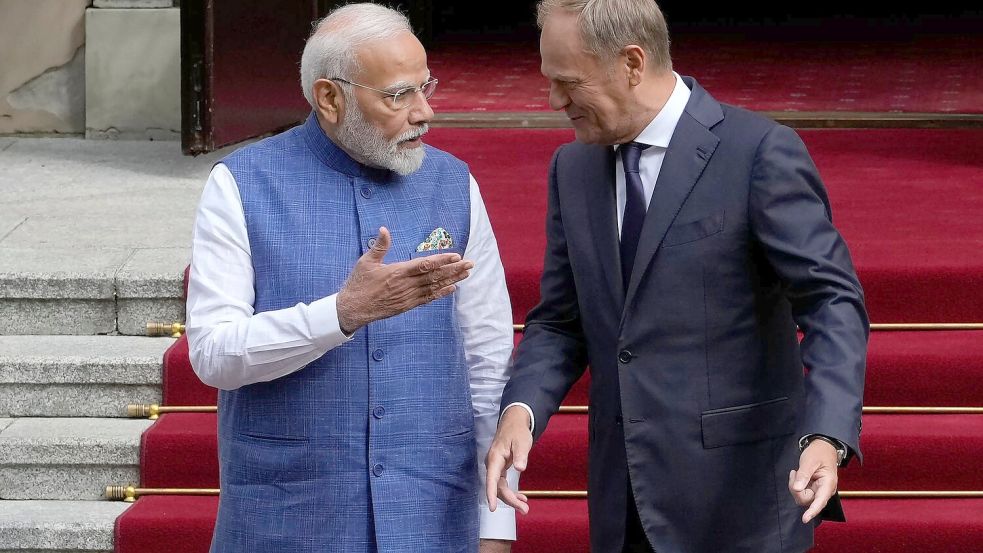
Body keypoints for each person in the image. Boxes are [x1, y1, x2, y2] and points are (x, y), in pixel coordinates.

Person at [484, 1, 869, 552]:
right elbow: (561, 320)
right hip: (624, 504)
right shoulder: (572, 169)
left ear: (632, 63)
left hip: (741, 506)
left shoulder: (756, 151)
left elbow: (832, 302)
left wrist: (826, 434)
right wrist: (521, 409)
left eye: (569, 83)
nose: (554, 102)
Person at [185, 4, 517, 552]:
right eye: (398, 95)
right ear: (330, 98)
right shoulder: (241, 185)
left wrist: (496, 524)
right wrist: (339, 315)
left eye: (425, 87)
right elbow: (214, 353)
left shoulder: (453, 185)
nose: (424, 112)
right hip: (288, 519)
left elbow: (487, 358)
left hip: (431, 516)